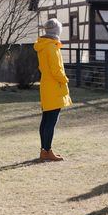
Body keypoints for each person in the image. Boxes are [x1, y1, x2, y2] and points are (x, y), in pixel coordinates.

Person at [33, 18, 72, 162]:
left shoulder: (43, 45)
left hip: (46, 85)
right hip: (55, 86)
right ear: (57, 31)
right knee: (51, 120)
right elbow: (57, 70)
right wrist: (65, 80)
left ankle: (44, 149)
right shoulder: (52, 46)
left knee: (46, 119)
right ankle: (47, 150)